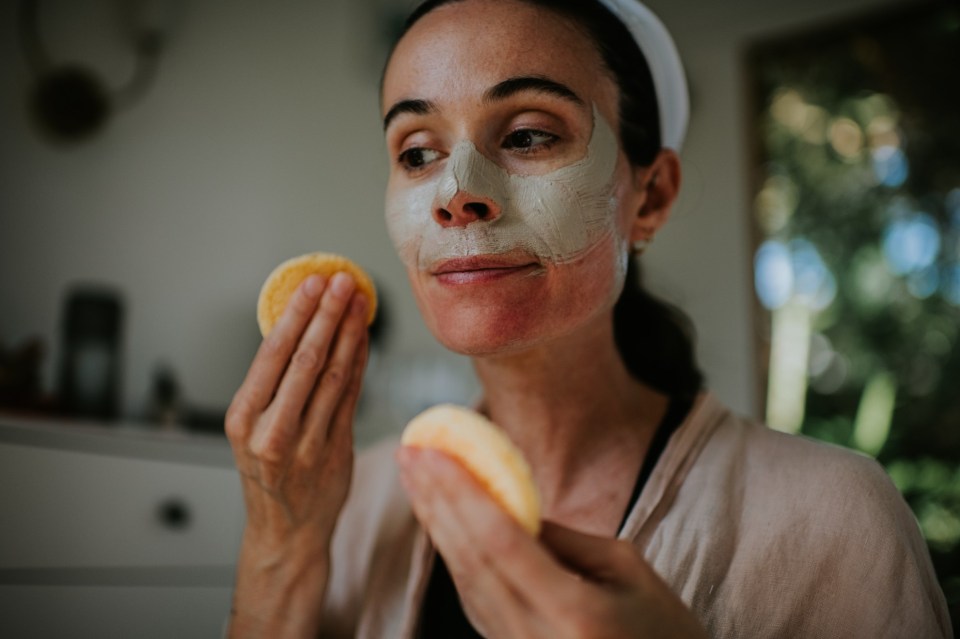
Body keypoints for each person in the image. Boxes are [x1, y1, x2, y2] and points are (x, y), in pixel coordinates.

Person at [223, 0, 952, 637]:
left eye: (530, 135)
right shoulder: (352, 505)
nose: (456, 193)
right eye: (417, 151)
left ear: (652, 195)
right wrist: (281, 542)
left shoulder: (830, 518)